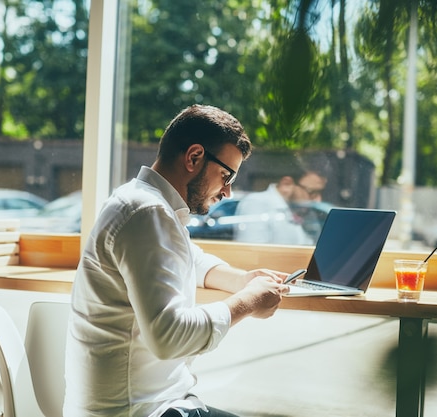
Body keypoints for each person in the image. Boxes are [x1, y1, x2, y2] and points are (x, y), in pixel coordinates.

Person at [63, 105, 291, 417]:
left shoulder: (140, 200)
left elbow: (187, 258)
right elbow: (168, 337)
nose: (228, 191)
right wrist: (247, 302)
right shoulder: (146, 212)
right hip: (139, 411)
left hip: (147, 403)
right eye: (226, 175)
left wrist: (242, 280)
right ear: (194, 157)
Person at [233, 165, 328, 245]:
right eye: (312, 192)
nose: (317, 199)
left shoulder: (304, 212)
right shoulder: (257, 203)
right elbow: (252, 254)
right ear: (286, 184)